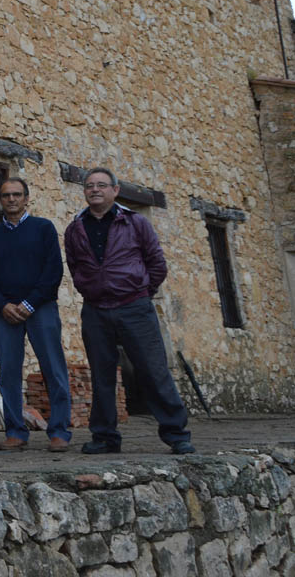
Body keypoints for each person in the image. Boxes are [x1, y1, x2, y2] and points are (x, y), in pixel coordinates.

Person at [64, 168, 194, 455]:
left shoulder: (135, 223)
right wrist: (89, 289)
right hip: (96, 310)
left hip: (134, 307)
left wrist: (141, 292)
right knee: (102, 375)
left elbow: (156, 263)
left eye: (101, 185)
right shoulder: (75, 228)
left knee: (153, 370)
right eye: (89, 186)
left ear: (115, 190)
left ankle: (176, 434)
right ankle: (105, 437)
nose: (94, 190)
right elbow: (75, 267)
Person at [0, 178, 70, 452]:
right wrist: (2, 304)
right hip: (4, 312)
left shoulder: (43, 228)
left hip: (40, 308)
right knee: (8, 372)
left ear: (26, 198)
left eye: (17, 194)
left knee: (53, 369)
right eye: (6, 195)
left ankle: (59, 432)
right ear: (0, 200)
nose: (11, 199)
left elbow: (53, 270)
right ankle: (16, 431)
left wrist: (29, 304)